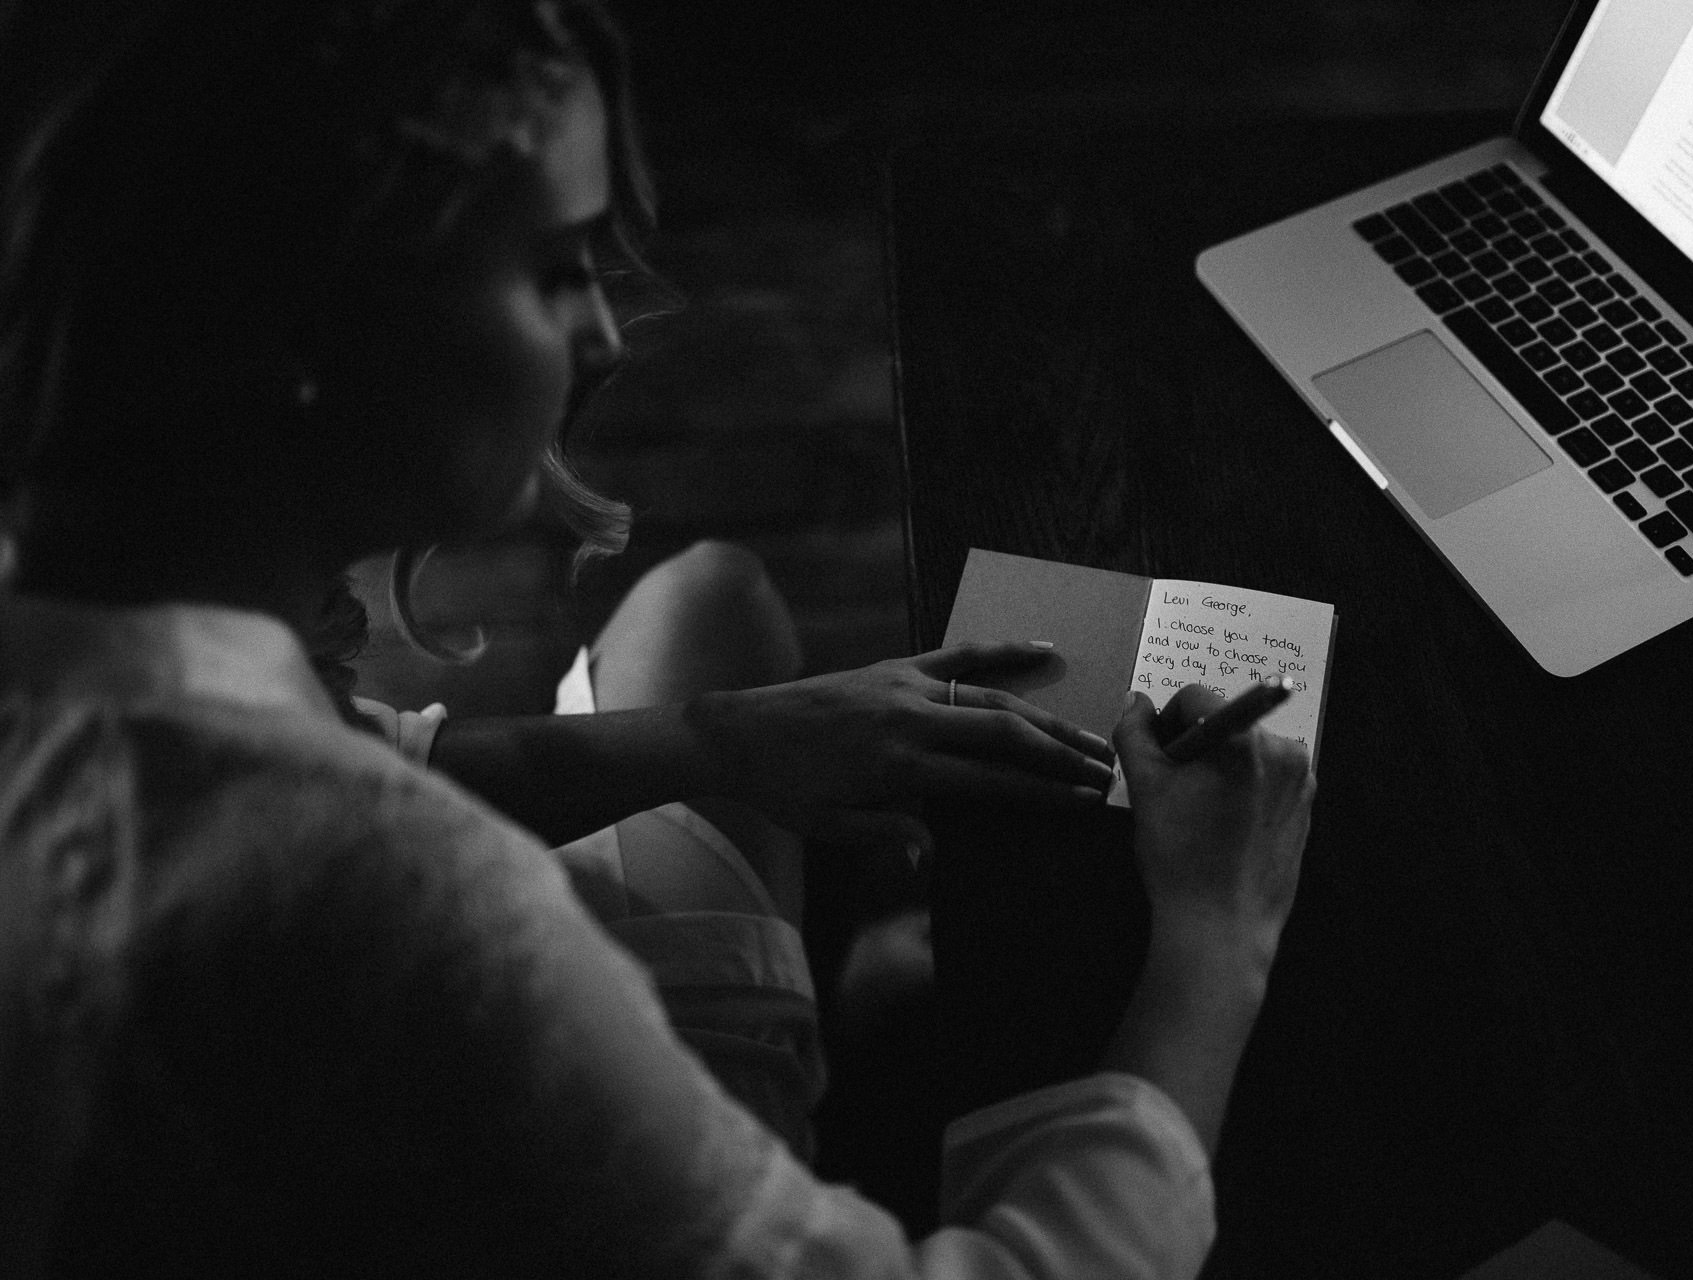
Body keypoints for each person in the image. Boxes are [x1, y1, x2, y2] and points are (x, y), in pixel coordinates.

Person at [0, 1, 1318, 1275]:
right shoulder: (416, 911)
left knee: (713, 602)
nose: (608, 334)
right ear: (312, 317)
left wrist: (726, 741)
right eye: (556, 270)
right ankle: (863, 1035)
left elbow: (364, 758)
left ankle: (859, 985)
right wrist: (1217, 936)